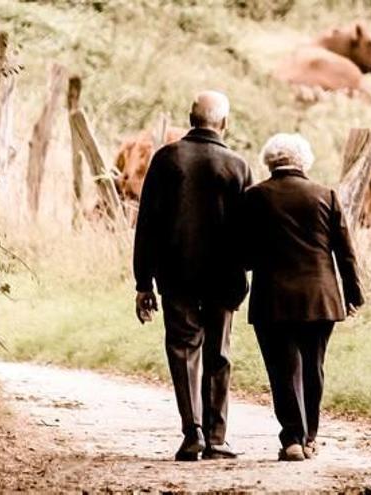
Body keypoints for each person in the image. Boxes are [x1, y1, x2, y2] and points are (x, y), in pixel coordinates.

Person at [132, 91, 253, 461]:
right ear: (225, 124)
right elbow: (249, 229)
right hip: (224, 277)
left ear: (190, 117)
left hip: (176, 274)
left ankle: (193, 432)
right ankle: (217, 437)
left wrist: (143, 282)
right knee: (218, 353)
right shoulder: (237, 166)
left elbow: (147, 224)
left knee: (183, 349)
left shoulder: (167, 159)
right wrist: (245, 269)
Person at [242, 133, 364, 462]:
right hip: (320, 297)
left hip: (273, 298)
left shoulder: (254, 197)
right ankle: (310, 437)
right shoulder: (326, 195)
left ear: (269, 161)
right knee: (314, 366)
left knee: (282, 370)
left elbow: (243, 253)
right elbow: (346, 252)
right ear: (303, 161)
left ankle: (292, 439)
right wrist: (353, 293)